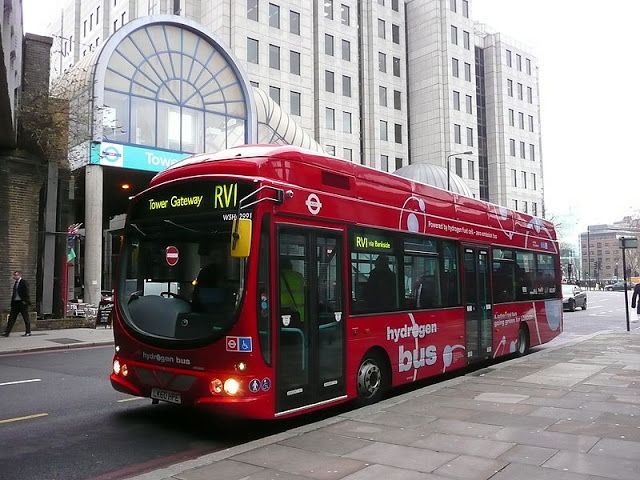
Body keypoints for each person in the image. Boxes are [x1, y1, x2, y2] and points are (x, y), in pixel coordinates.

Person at [3, 270, 31, 337]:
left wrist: (25, 302)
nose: (14, 276)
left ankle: (28, 332)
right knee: (11, 318)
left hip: (22, 303)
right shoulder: (15, 283)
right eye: (14, 275)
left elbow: (27, 292)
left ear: (20, 275)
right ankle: (7, 332)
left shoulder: (24, 282)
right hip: (15, 303)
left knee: (26, 318)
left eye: (16, 275)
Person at [279, 258, 306, 323]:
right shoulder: (299, 276)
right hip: (301, 316)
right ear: (290, 266)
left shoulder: (277, 277)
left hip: (283, 316)